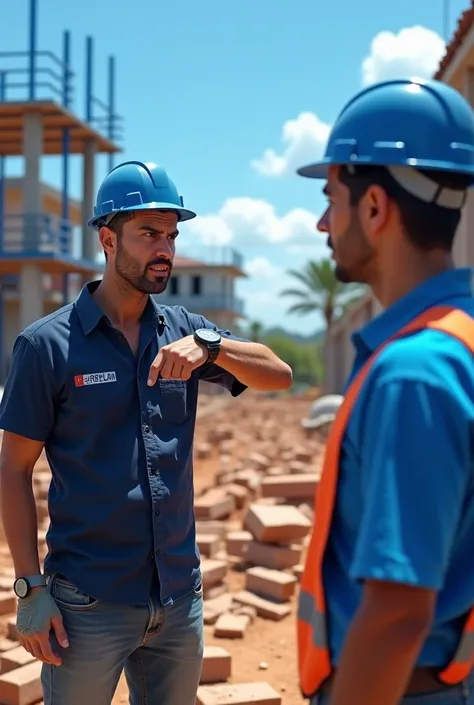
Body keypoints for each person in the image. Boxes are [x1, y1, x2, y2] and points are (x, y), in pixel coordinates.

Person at [0, 160, 293, 705]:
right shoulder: (47, 346)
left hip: (180, 600)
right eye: (149, 233)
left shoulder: (186, 331)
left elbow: (279, 374)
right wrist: (28, 587)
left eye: (172, 235)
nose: (165, 248)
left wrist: (213, 347)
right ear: (108, 240)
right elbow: (13, 468)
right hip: (87, 606)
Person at [295, 78, 474, 705]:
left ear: (374, 208)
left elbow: (397, 616)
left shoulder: (415, 373)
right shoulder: (463, 339)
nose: (323, 221)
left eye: (331, 198)